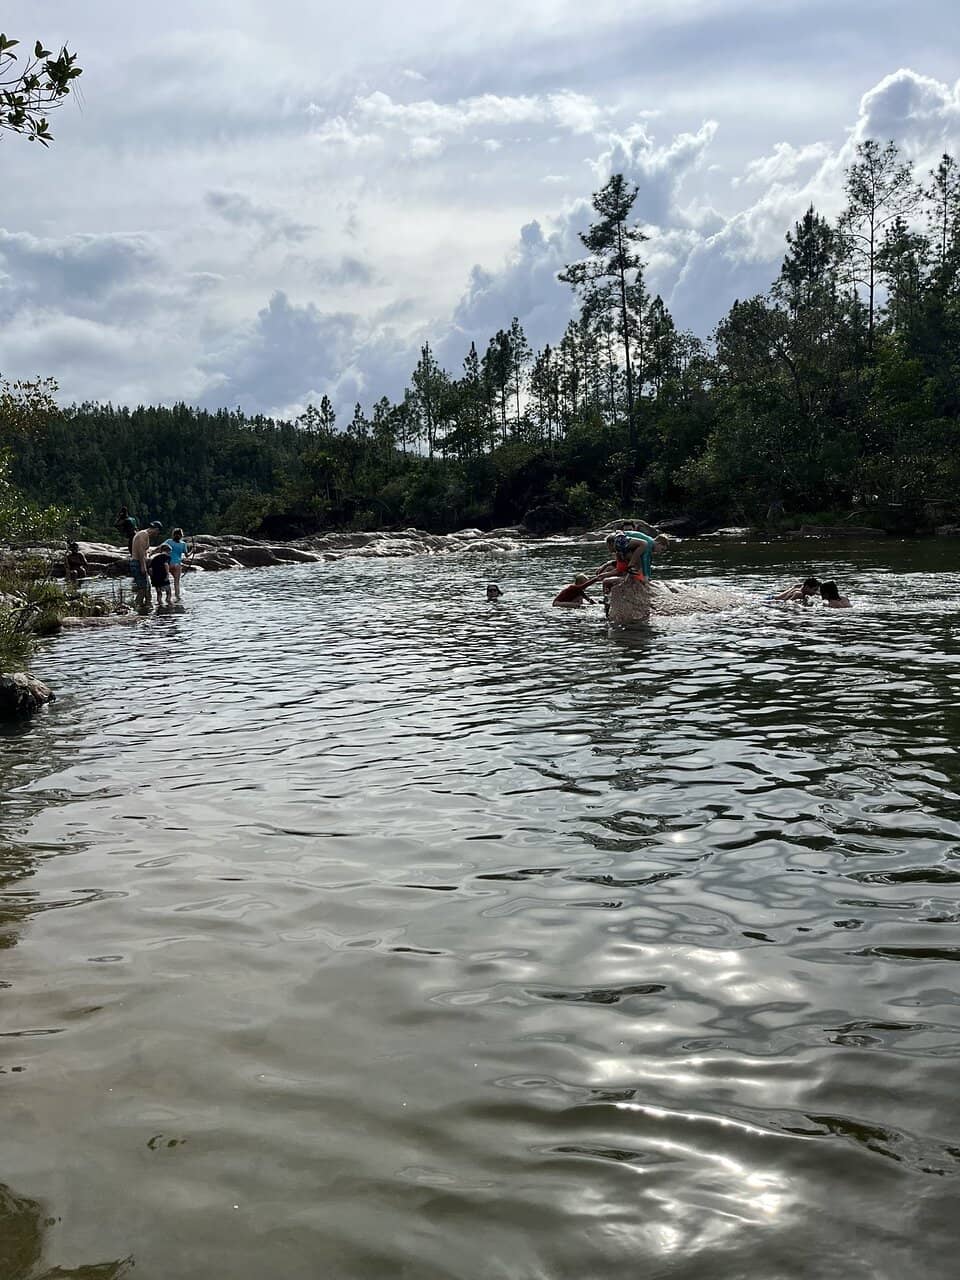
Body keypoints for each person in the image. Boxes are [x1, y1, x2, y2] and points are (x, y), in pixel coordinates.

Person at [130, 520, 162, 608]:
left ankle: (146, 610)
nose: (157, 534)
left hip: (140, 562)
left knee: (147, 589)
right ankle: (135, 608)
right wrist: (143, 566)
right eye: (158, 532)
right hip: (137, 563)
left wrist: (152, 554)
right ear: (155, 529)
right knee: (143, 589)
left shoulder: (145, 535)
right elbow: (140, 552)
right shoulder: (143, 534)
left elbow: (144, 552)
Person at [163, 527, 189, 601]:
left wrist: (152, 552)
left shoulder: (168, 541)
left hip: (168, 564)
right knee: (176, 582)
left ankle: (168, 597)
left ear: (173, 535)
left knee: (166, 580)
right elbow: (187, 555)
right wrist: (193, 551)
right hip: (177, 565)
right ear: (181, 535)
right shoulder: (183, 544)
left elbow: (160, 547)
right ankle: (177, 597)